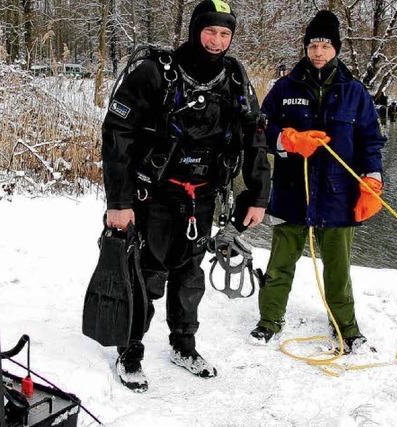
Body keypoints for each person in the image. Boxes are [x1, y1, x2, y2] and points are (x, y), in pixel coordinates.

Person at [101, 0, 270, 392]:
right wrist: (119, 202)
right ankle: (130, 349)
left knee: (190, 275)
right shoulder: (154, 73)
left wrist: (259, 194)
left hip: (203, 196)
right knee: (146, 273)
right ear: (195, 30)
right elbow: (117, 135)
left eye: (225, 33)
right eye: (210, 31)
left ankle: (184, 344)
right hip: (153, 195)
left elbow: (255, 137)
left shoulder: (234, 78)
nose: (216, 41)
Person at [249, 10, 386, 354]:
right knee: (280, 263)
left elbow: (371, 140)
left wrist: (373, 179)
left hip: (339, 195)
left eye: (325, 45)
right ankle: (269, 320)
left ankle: (346, 327)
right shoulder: (284, 88)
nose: (318, 52)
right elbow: (261, 130)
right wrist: (289, 139)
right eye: (313, 45)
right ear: (306, 48)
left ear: (336, 48)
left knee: (338, 270)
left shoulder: (355, 92)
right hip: (291, 192)